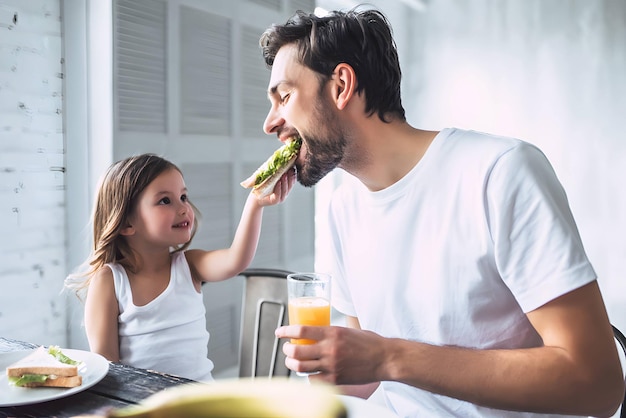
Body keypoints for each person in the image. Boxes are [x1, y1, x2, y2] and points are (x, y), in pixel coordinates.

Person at [261, 7, 624, 418]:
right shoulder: (342, 209)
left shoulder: (500, 172)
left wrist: (388, 357)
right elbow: (365, 378)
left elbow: (598, 383)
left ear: (341, 85)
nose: (270, 123)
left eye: (284, 97)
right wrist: (327, 363)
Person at [65, 153, 294, 382]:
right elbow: (108, 368)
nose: (184, 208)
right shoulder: (110, 281)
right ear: (126, 223)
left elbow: (236, 260)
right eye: (165, 200)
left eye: (183, 197)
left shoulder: (189, 265)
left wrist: (255, 203)